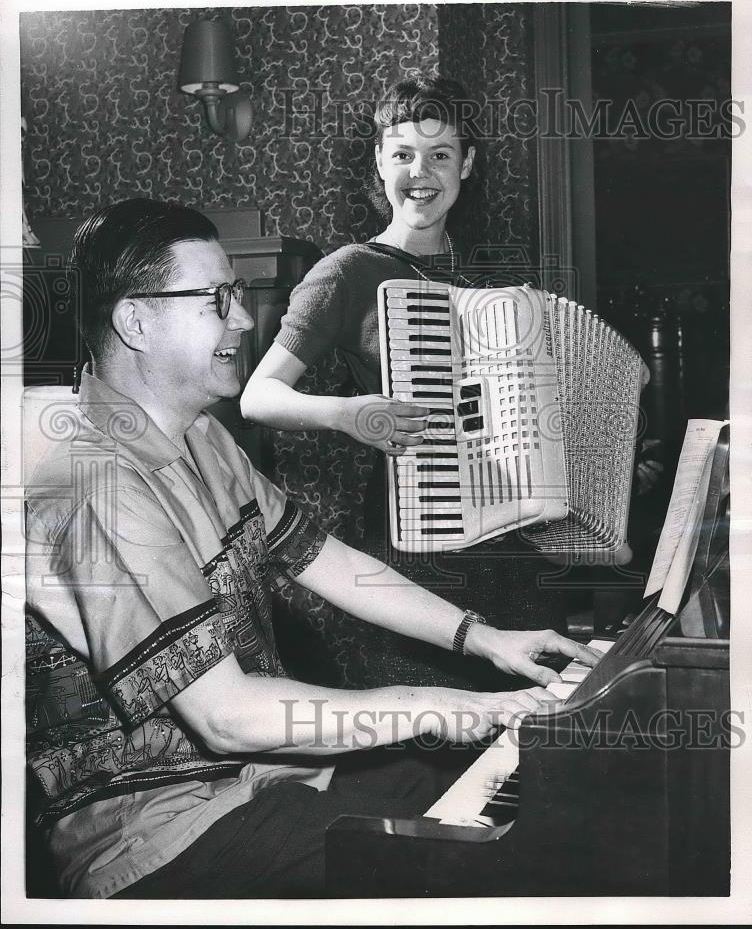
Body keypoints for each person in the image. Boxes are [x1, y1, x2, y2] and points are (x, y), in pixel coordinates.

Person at [24, 198, 601, 899]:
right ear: (134, 321)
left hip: (252, 785)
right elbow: (228, 717)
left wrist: (484, 640)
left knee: (473, 795)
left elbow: (332, 563)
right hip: (153, 838)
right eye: (215, 299)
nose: (242, 318)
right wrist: (443, 703)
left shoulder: (203, 438)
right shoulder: (95, 484)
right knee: (465, 871)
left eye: (236, 293)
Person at [240, 73, 571, 688]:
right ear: (380, 160)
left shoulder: (496, 281)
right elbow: (259, 396)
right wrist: (347, 413)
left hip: (516, 543)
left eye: (441, 154)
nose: (421, 171)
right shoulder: (348, 271)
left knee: (529, 722)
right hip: (421, 539)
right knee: (435, 738)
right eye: (403, 154)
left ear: (466, 165)